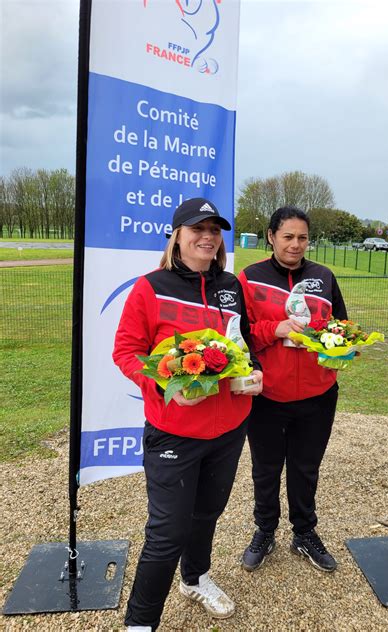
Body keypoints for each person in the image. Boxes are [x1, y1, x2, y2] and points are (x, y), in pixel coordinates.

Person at [113, 197, 263, 631]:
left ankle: (195, 578)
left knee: (207, 513)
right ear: (177, 236)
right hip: (174, 433)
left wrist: (254, 374)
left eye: (215, 230)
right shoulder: (151, 286)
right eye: (198, 228)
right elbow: (125, 352)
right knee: (165, 537)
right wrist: (166, 388)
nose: (208, 236)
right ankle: (140, 624)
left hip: (230, 429)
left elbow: (246, 344)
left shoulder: (232, 286)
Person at [238, 206, 347, 574]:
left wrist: (344, 346)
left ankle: (304, 533)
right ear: (271, 236)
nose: (296, 244)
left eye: (302, 237)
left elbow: (340, 326)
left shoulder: (324, 276)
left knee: (305, 468)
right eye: (288, 236)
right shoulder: (249, 279)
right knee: (265, 468)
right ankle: (265, 531)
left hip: (318, 395)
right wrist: (276, 329)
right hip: (268, 396)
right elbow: (237, 336)